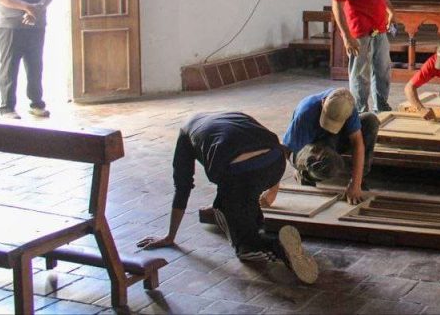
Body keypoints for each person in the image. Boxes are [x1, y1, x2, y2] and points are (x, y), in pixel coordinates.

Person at [136, 112, 319, 284]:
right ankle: (257, 227)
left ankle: (276, 248)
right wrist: (272, 188)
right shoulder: (233, 116)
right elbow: (272, 146)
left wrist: (170, 236)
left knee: (241, 243)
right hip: (276, 163)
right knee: (243, 198)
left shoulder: (186, 135)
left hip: (241, 173)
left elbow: (182, 187)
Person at [331, 0, 396, 113]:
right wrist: (346, 36)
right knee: (360, 72)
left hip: (379, 24)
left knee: (382, 67)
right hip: (359, 29)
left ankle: (381, 105)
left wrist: (390, 9)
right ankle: (360, 111)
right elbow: (337, 6)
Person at [283, 88, 379, 205]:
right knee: (331, 163)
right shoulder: (306, 112)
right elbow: (286, 151)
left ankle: (359, 182)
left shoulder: (347, 106)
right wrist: (299, 166)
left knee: (371, 121)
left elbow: (357, 143)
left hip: (332, 142)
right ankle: (306, 175)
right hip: (307, 147)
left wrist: (355, 183)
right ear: (323, 102)